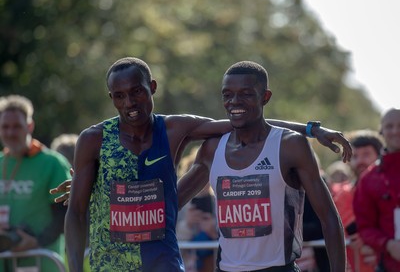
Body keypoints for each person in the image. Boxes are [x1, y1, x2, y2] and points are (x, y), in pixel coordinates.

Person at [55, 57, 351, 272]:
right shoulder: (95, 140)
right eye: (119, 96)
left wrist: (312, 130)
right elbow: (79, 212)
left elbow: (248, 119)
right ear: (111, 98)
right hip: (115, 263)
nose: (130, 103)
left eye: (137, 92)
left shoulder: (174, 129)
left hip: (169, 262)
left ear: (152, 88)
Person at [178, 61, 346, 272]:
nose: (234, 102)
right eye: (227, 95)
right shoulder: (212, 148)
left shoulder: (290, 146)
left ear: (265, 97)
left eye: (246, 94)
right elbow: (170, 204)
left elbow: (329, 218)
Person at [0, 95, 71, 271]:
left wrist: (37, 241)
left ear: (30, 126)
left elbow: (66, 213)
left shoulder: (52, 163)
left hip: (42, 261)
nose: (10, 133)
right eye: (5, 127)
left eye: (17, 126)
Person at [353, 108, 400, 272]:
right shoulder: (368, 179)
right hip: (389, 265)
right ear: (381, 131)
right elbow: (365, 227)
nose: (395, 131)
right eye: (390, 126)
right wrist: (388, 244)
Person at [333, 130, 383, 272]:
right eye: (355, 156)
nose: (360, 161)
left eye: (366, 154)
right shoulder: (344, 194)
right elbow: (355, 229)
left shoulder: (392, 189)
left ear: (380, 156)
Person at [176, 147, 218, 272]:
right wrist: (187, 224)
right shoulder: (178, 203)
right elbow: (173, 237)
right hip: (188, 262)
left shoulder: (218, 202)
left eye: (205, 175)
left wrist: (213, 230)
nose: (201, 182)